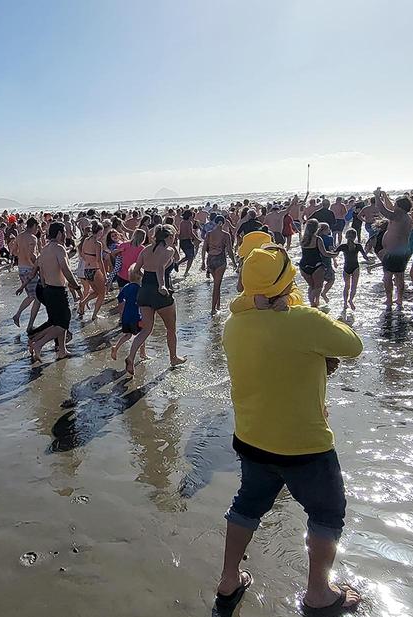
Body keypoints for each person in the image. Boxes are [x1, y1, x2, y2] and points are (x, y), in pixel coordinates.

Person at [215, 243, 364, 615]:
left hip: (251, 438)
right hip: (305, 446)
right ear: (286, 283)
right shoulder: (304, 321)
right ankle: (318, 593)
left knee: (247, 505)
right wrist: (301, 308)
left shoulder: (233, 325)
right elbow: (352, 344)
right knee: (327, 513)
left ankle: (229, 580)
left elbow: (270, 350)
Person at [122, 225, 187, 374]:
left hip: (144, 292)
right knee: (171, 329)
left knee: (146, 329)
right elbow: (160, 268)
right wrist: (161, 285)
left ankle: (131, 357)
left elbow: (136, 270)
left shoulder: (145, 250)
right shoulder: (168, 250)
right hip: (160, 293)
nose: (174, 239)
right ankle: (173, 358)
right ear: (169, 237)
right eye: (173, 237)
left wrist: (147, 280)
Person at [26, 222, 82, 361]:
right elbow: (66, 269)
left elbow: (40, 269)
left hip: (48, 289)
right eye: (64, 232)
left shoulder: (45, 249)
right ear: (59, 233)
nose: (65, 235)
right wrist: (77, 286)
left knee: (56, 322)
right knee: (63, 323)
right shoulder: (59, 248)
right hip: (57, 290)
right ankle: (38, 344)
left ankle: (61, 350)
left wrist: (45, 285)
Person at [376, 189, 413, 309]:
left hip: (394, 252)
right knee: (399, 276)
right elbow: (389, 208)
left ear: (400, 206)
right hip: (401, 251)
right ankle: (399, 299)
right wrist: (384, 196)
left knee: (388, 276)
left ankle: (389, 300)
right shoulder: (403, 216)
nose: (394, 206)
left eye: (396, 204)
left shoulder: (399, 216)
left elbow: (383, 211)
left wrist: (377, 196)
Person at [108, 271, 147, 364]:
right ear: (140, 278)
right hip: (136, 316)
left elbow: (120, 298)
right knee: (142, 334)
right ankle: (142, 353)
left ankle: (116, 347)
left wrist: (122, 307)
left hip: (126, 316)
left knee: (127, 335)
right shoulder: (139, 288)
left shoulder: (126, 287)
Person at [11, 218, 43, 329]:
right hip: (29, 268)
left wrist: (22, 255)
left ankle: (19, 316)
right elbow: (31, 255)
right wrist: (37, 266)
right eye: (37, 227)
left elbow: (14, 251)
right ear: (33, 226)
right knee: (36, 297)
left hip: (21, 267)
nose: (37, 230)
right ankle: (23, 320)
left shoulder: (19, 236)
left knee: (31, 296)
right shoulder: (32, 238)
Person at [336, 229, 366, 310]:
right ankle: (351, 300)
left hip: (346, 267)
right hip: (355, 267)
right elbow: (365, 256)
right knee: (354, 286)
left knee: (346, 286)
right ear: (355, 237)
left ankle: (345, 303)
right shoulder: (358, 246)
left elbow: (334, 255)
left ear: (345, 236)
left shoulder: (342, 246)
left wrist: (331, 253)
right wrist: (370, 260)